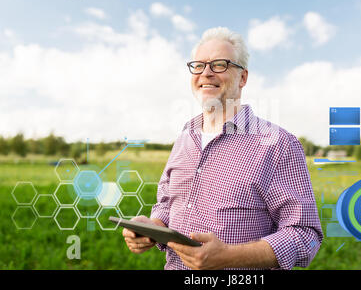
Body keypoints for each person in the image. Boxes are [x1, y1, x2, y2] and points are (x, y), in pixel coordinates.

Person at [122, 27, 323, 270]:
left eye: (219, 64)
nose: (206, 73)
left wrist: (228, 256)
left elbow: (306, 236)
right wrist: (152, 227)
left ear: (243, 77)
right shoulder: (185, 138)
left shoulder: (279, 144)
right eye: (199, 65)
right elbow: (167, 204)